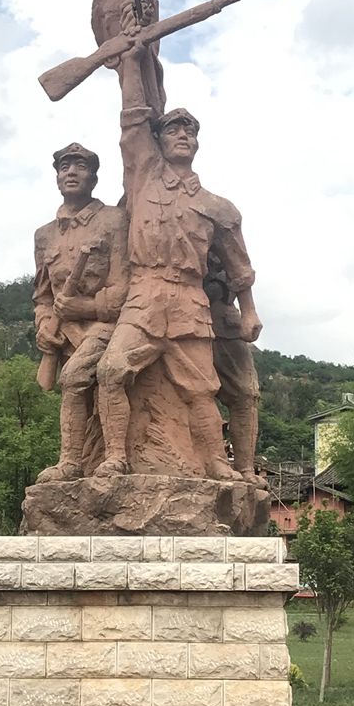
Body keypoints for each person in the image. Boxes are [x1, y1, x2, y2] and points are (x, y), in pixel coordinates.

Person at [96, 42, 262, 480]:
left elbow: (240, 268)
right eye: (173, 131)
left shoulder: (218, 208)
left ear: (198, 143)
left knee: (201, 389)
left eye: (189, 132)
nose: (182, 136)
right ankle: (115, 457)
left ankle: (215, 463)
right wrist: (131, 59)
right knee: (111, 371)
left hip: (190, 300)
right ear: (160, 140)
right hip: (144, 295)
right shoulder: (143, 176)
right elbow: (133, 118)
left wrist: (249, 313)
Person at [33, 142, 128, 482]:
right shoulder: (44, 235)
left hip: (108, 327)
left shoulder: (114, 220)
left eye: (80, 167)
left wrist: (84, 306)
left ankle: (111, 457)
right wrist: (44, 326)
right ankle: (76, 462)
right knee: (76, 388)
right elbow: (43, 295)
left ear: (94, 178)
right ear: (57, 178)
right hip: (67, 334)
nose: (71, 173)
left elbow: (124, 286)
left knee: (75, 378)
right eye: (64, 167)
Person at [205, 255, 263, 484]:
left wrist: (249, 310)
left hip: (222, 316)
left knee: (246, 394)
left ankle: (245, 468)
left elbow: (238, 264)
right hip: (171, 311)